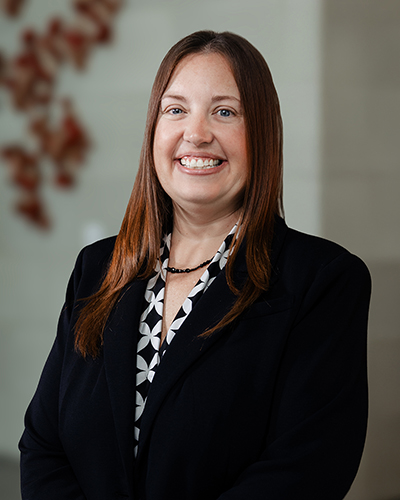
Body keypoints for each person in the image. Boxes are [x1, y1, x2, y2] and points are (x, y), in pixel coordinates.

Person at [19, 30, 371, 500]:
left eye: (225, 112)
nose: (197, 133)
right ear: (154, 132)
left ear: (262, 134)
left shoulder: (322, 281)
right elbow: (44, 445)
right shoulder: (98, 267)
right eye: (176, 110)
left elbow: (306, 466)